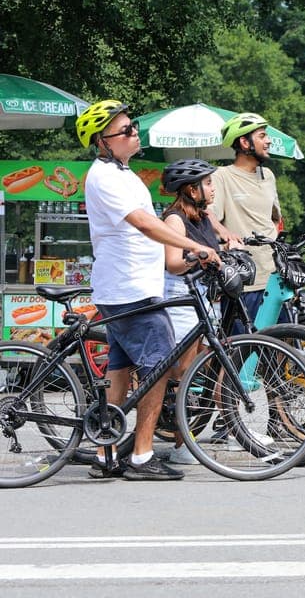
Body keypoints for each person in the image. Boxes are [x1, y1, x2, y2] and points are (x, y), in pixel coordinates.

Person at [77, 100, 220, 481]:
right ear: (103, 141)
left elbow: (150, 224)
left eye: (133, 126)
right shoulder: (105, 177)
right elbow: (143, 224)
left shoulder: (123, 174)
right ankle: (141, 456)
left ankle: (105, 453)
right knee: (157, 369)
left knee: (121, 370)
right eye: (126, 130)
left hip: (133, 285)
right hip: (130, 289)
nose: (134, 133)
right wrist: (193, 246)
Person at [160, 158, 222, 466]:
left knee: (199, 370)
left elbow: (218, 242)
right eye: (207, 183)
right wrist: (197, 257)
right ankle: (182, 444)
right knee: (184, 373)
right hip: (182, 297)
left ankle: (186, 435)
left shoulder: (203, 218)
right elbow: (173, 262)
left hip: (206, 297)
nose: (212, 188)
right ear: (190, 189)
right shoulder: (175, 219)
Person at [207, 112, 283, 329]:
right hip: (245, 280)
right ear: (244, 141)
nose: (268, 141)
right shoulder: (222, 176)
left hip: (275, 277)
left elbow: (275, 218)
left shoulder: (268, 175)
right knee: (242, 352)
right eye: (262, 136)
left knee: (282, 346)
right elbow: (208, 213)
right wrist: (224, 232)